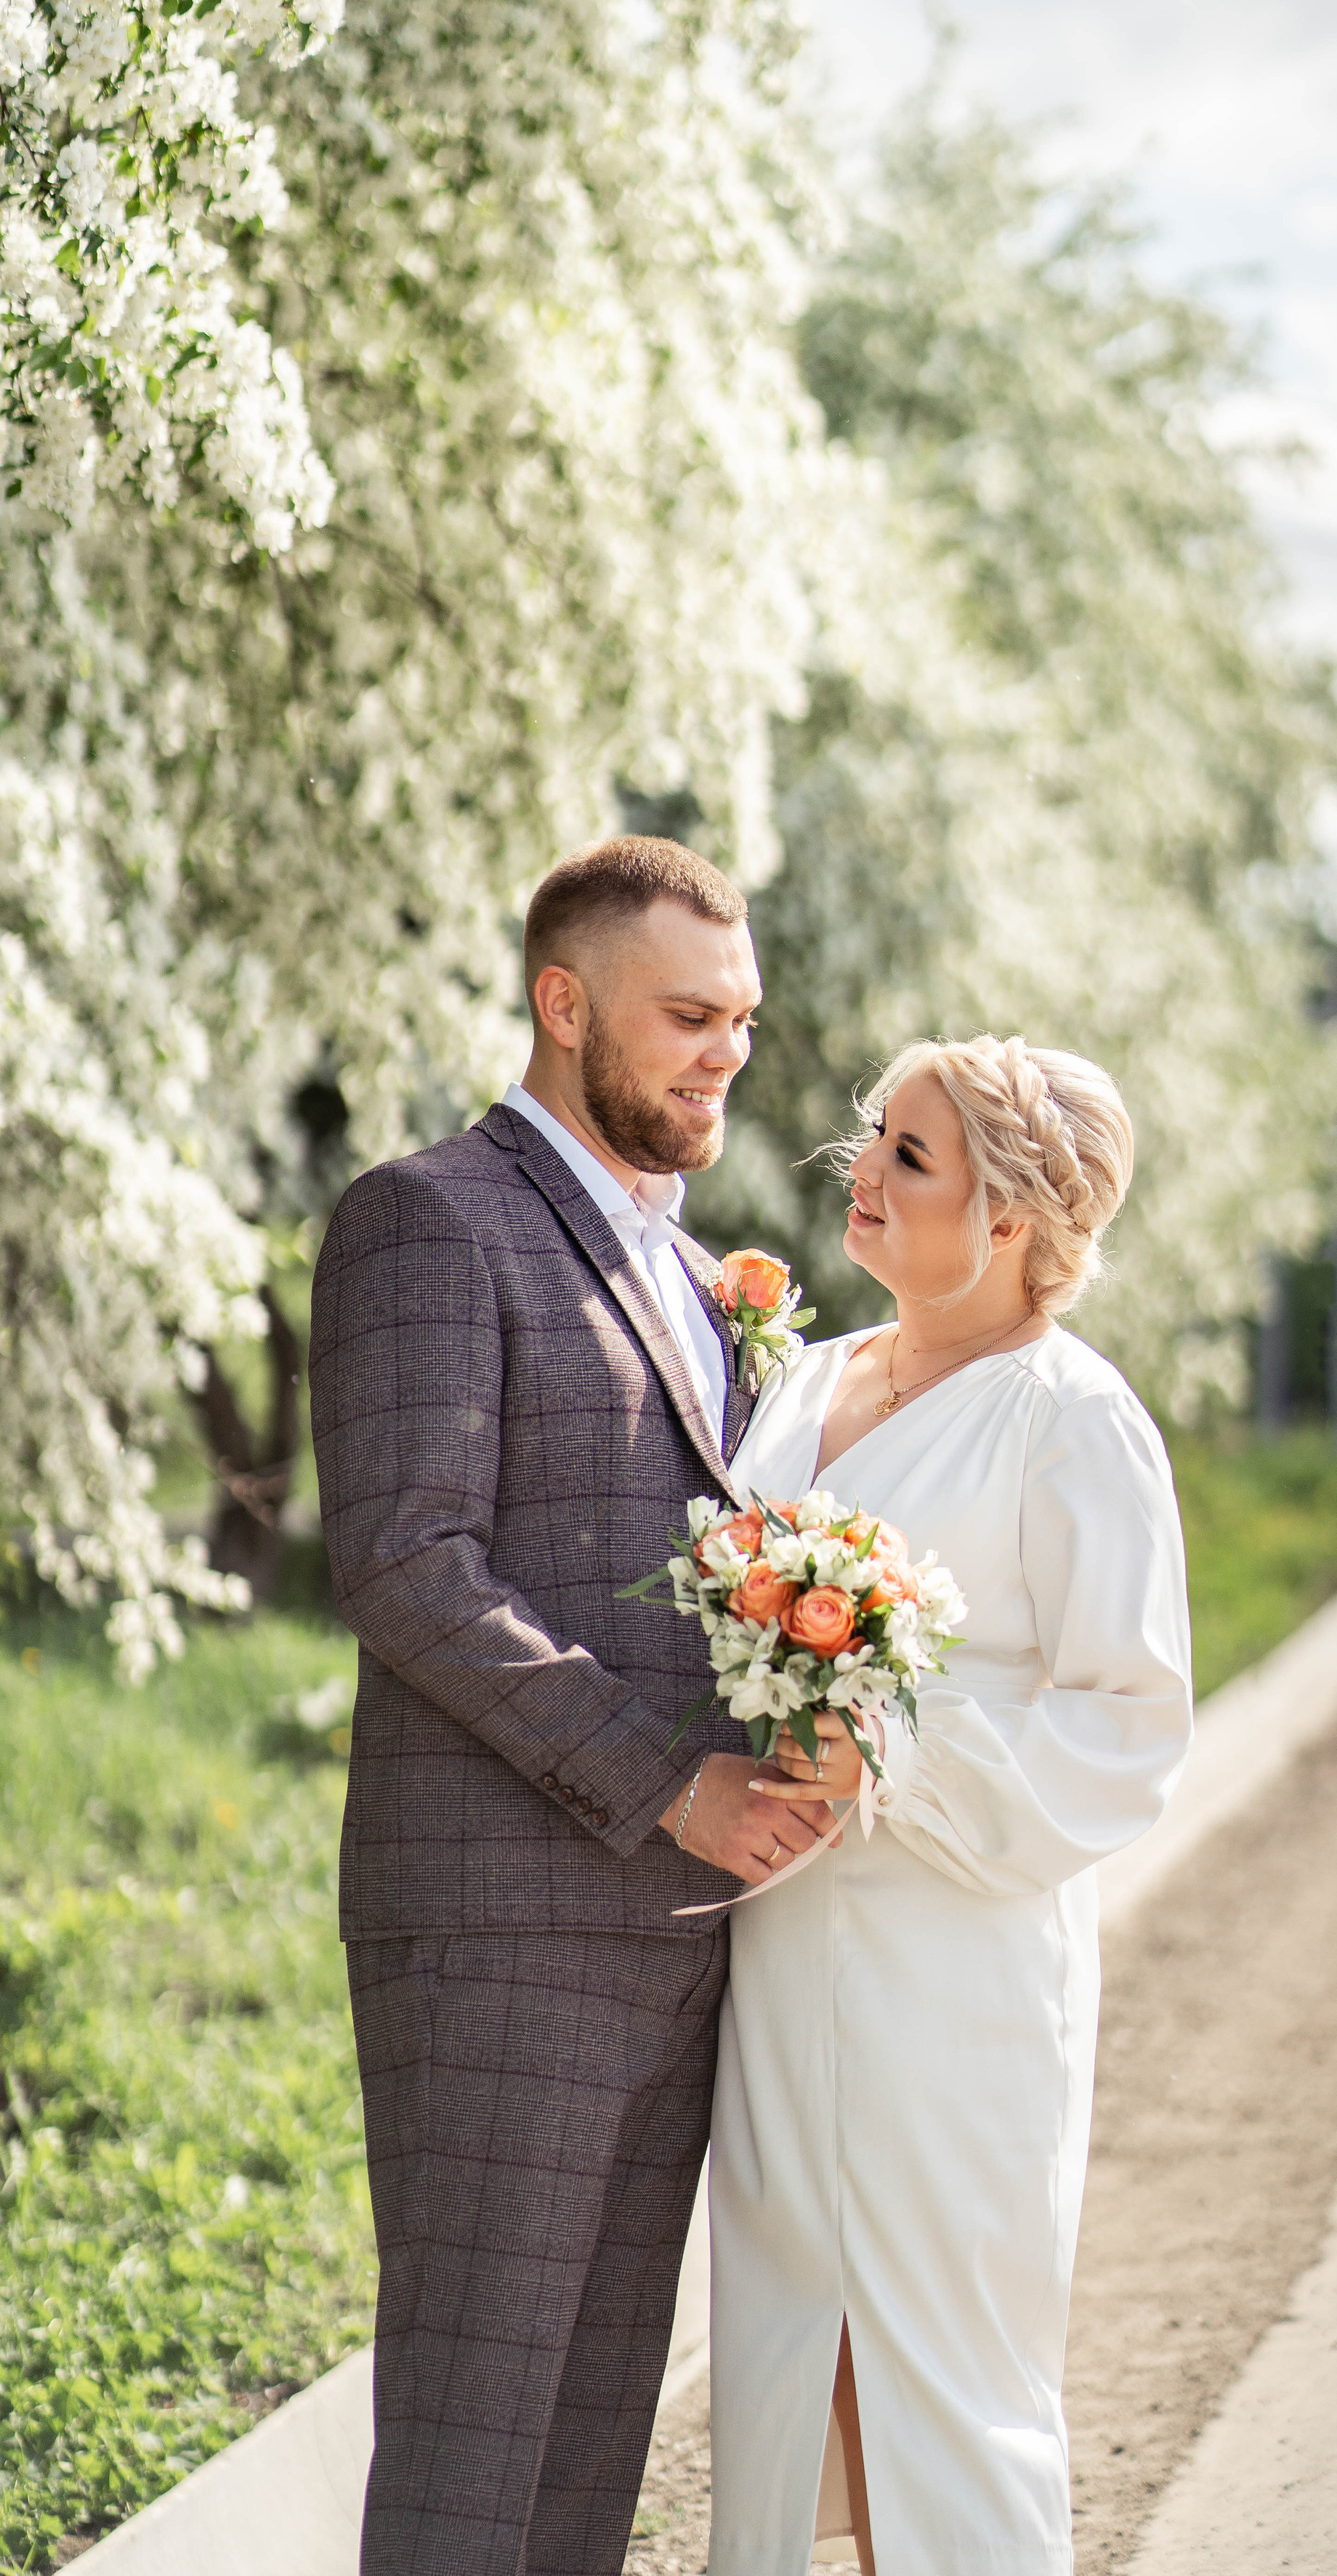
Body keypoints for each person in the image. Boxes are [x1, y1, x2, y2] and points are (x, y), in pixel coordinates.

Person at [309, 835, 833, 2576]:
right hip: (501, 1943)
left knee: (587, 2465)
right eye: (687, 1018)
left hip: (683, 1945)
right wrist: (672, 1782)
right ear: (562, 1003)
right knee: (470, 2462)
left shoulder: (699, 1276)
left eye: (740, 1021)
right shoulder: (426, 1220)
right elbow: (409, 1566)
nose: (723, 1055)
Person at [706, 1033, 1193, 2576]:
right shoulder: (809, 1379)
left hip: (956, 1967)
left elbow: (1130, 1725)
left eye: (907, 1155)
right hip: (781, 1945)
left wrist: (895, 1757)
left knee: (949, 2368)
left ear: (1011, 1219)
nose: (859, 1168)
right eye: (875, 1133)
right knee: (795, 2339)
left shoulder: (1073, 1419)